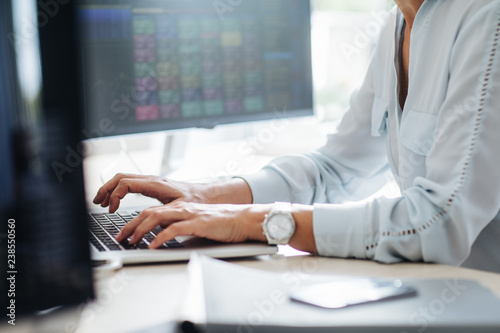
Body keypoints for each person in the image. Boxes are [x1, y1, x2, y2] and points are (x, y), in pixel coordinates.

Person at [93, 0, 500, 273]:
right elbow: (334, 171)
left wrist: (253, 223)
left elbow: (438, 223)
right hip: (444, 292)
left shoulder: (487, 19)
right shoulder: (397, 25)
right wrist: (208, 196)